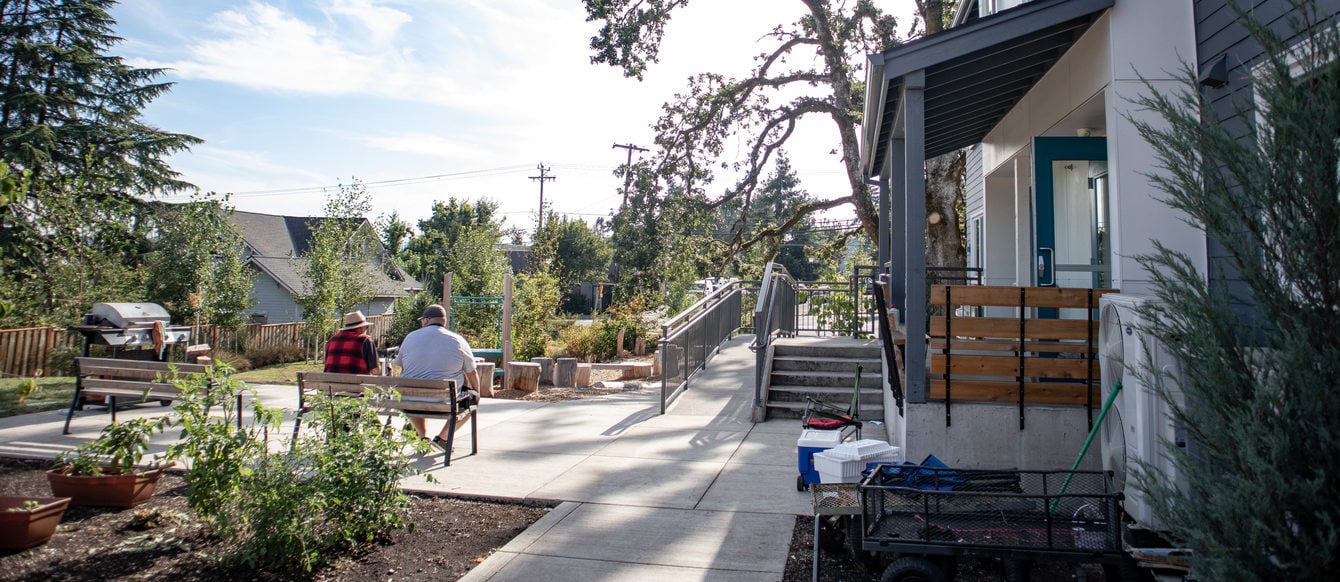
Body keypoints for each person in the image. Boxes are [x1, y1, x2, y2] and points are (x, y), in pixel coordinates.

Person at [394, 304, 480, 448]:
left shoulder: (410, 337)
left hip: (410, 401)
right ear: (444, 322)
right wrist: (477, 392)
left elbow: (400, 366)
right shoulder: (457, 340)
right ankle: (443, 438)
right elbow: (472, 372)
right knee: (473, 400)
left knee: (415, 391)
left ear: (426, 321)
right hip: (445, 402)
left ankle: (423, 437)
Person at [324, 311, 379, 375]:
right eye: (366, 327)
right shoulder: (365, 340)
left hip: (331, 383)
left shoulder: (332, 340)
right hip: (357, 383)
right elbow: (375, 370)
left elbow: (327, 365)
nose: (366, 330)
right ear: (360, 328)